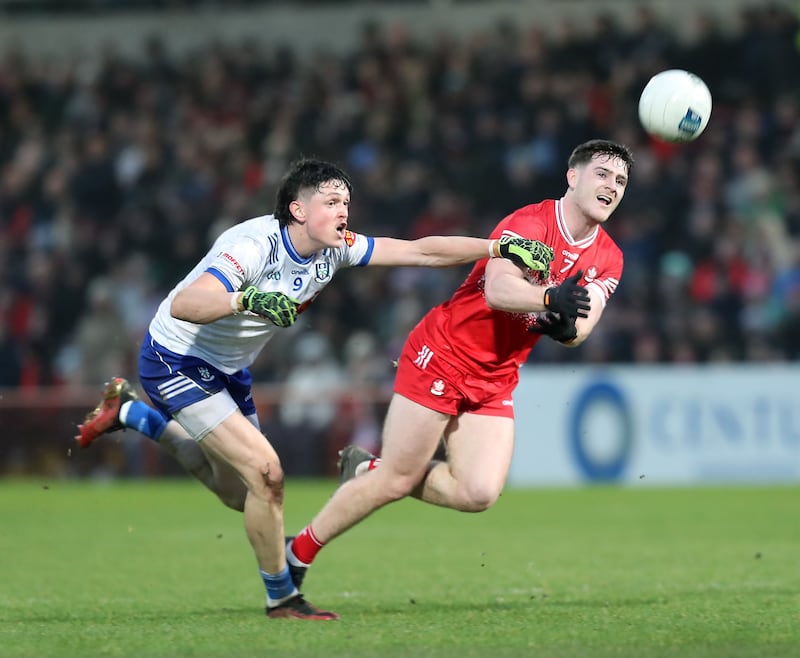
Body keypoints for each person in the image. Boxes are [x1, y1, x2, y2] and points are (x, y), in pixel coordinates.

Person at [73, 157, 555, 621]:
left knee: (242, 495)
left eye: (346, 201)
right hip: (175, 358)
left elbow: (417, 250)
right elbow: (185, 304)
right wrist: (247, 297)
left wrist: (498, 248)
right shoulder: (252, 246)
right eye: (330, 201)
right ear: (298, 210)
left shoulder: (336, 248)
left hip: (228, 368)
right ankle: (282, 598)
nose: (342, 211)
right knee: (266, 475)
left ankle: (134, 415)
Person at [285, 139, 634, 598]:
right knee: (397, 480)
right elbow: (498, 289)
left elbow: (584, 326)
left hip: (495, 377)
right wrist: (548, 298)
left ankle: (369, 467)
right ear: (573, 177)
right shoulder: (529, 223)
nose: (612, 186)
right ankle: (297, 554)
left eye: (621, 181)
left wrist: (563, 326)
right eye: (602, 174)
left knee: (479, 493)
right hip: (444, 353)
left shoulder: (609, 257)